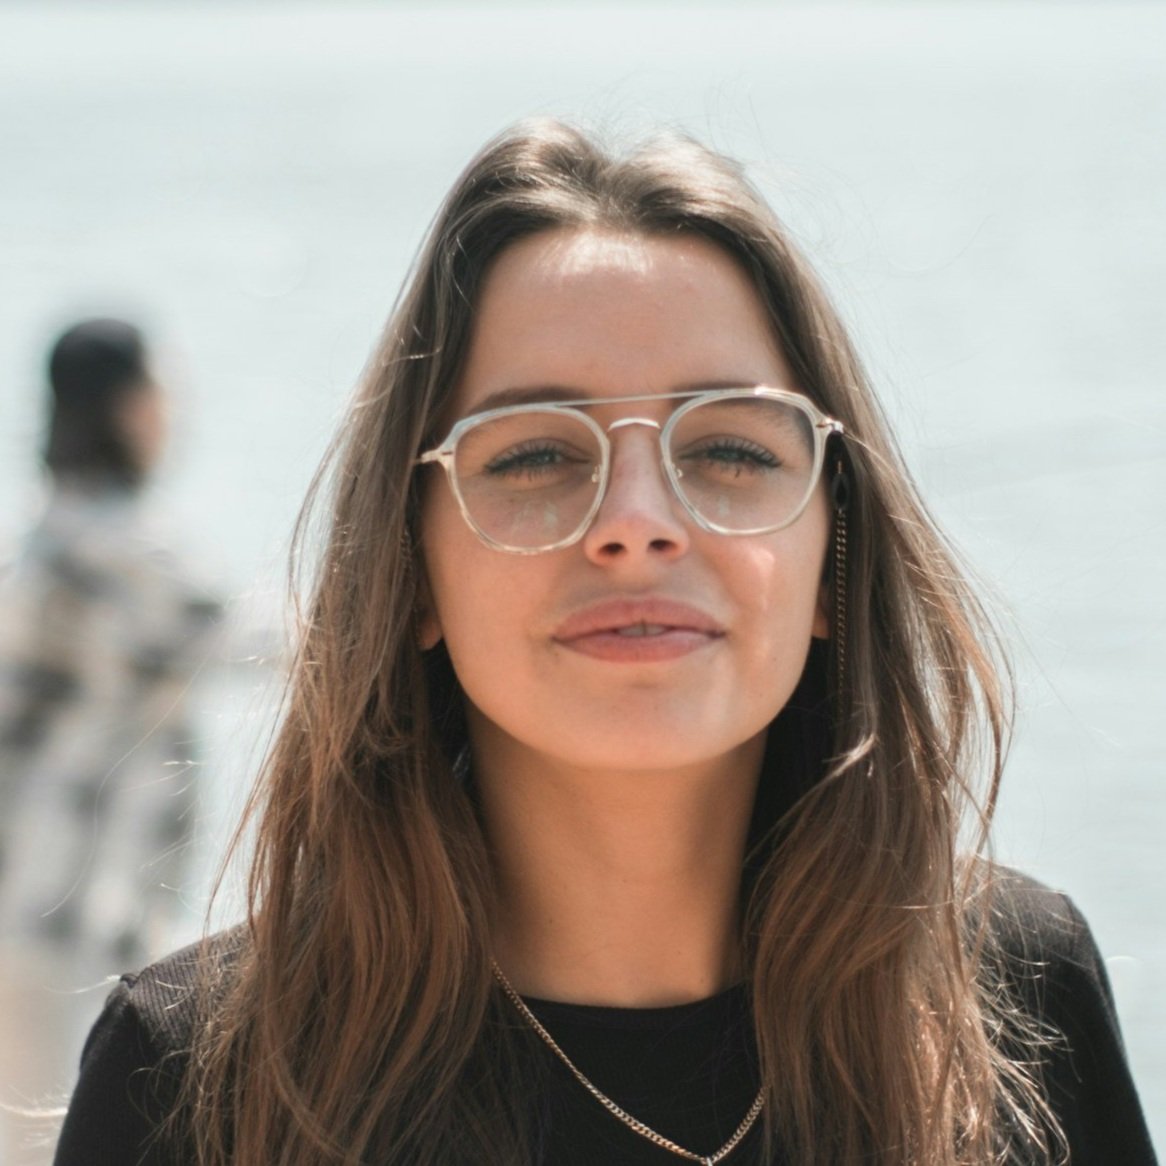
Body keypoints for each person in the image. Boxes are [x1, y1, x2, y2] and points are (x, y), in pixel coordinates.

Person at [52, 123, 1156, 1166]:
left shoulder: (1020, 994)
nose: (636, 520)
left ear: (835, 554)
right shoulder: (187, 1078)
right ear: (411, 572)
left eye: (728, 448)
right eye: (535, 455)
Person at [0, 318, 223, 969]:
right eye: (164, 390)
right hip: (79, 916)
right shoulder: (130, 554)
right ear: (130, 408)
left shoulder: (34, 540)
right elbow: (283, 643)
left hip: (22, 890)